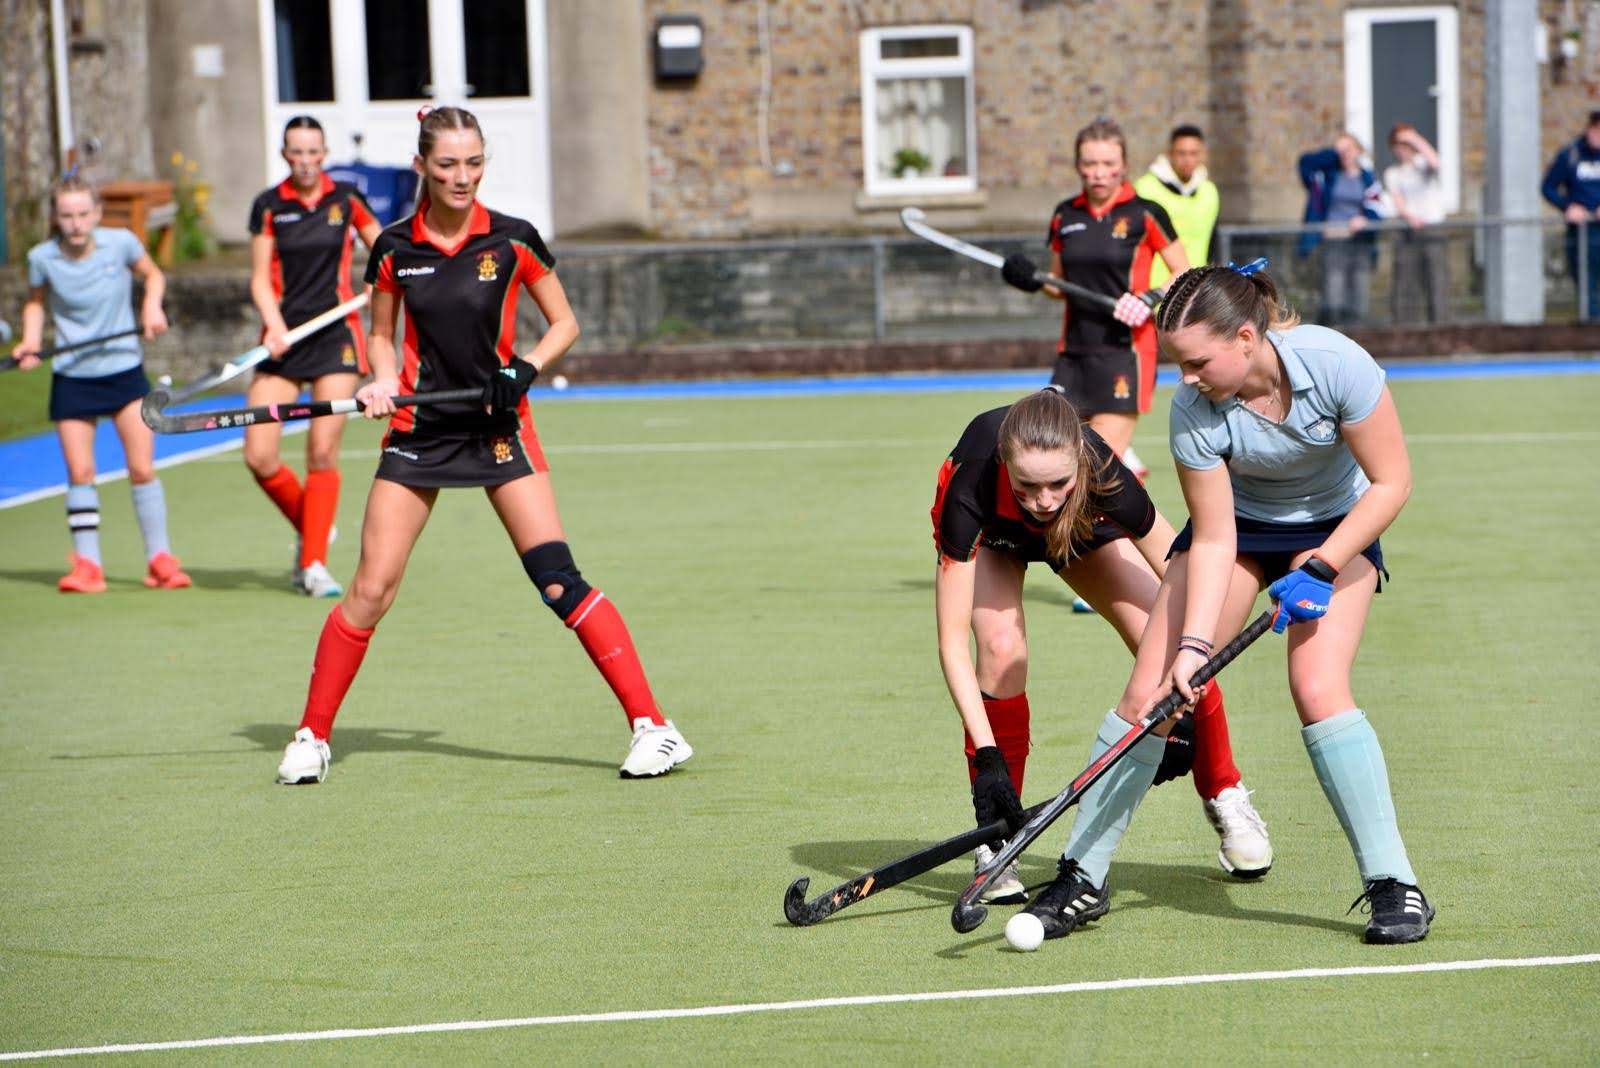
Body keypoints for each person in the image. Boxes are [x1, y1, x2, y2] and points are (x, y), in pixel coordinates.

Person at [1013, 261, 1433, 946]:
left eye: (1197, 362)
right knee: (1149, 691)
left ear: (1245, 338)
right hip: (1237, 532)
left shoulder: (1337, 364)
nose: (1186, 378)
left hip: (1337, 528)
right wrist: (1192, 649)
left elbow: (1392, 482)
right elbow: (1212, 537)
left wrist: (1322, 566)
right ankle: (1082, 876)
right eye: (1178, 363)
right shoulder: (1195, 410)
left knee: (1317, 686)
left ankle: (1394, 884)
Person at [274, 106, 692, 784]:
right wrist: (382, 380)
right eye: (447, 165)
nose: (462, 177)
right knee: (371, 588)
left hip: (499, 426)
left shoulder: (512, 238)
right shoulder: (394, 248)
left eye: (473, 163)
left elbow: (564, 323)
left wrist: (524, 368)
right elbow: (381, 334)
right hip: (420, 430)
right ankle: (311, 737)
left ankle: (655, 728)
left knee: (557, 578)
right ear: (422, 166)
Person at [932, 386, 1271, 903]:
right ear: (1004, 462)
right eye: (1027, 486)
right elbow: (953, 644)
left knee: (1163, 636)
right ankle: (999, 837)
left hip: (1080, 527)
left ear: (1079, 461)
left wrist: (1184, 697)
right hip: (996, 538)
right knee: (1001, 649)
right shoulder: (972, 482)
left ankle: (1223, 788)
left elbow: (1183, 572)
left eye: (1057, 483)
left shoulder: (1103, 471)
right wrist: (987, 758)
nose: (1043, 500)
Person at [13, 174, 189, 593]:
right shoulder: (41, 258)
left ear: (96, 213)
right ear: (55, 218)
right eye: (67, 215)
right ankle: (88, 565)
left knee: (141, 468)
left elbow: (154, 275)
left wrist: (151, 308)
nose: (76, 224)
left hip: (124, 371)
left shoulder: (121, 243)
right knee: (80, 471)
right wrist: (31, 341)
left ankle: (160, 560)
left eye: (83, 214)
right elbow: (36, 304)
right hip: (73, 375)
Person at [1000, 118, 1189, 483]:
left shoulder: (1145, 213)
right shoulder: (1065, 214)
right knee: (1053, 461)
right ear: (1078, 166)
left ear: (1124, 166)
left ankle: (1135, 512)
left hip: (1125, 353)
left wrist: (1149, 297)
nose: (1099, 173)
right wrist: (1032, 281)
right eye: (1090, 163)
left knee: (1097, 470)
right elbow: (1060, 285)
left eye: (1108, 164)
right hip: (1073, 355)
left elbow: (1184, 270)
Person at [247, 116, 383, 597]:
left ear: (324, 154)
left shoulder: (345, 199)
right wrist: (274, 325)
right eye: (296, 152)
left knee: (322, 451)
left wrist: (377, 284)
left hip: (336, 337)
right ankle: (316, 526)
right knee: (259, 455)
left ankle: (314, 564)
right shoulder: (269, 205)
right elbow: (260, 279)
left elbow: (386, 249)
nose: (305, 161)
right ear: (285, 155)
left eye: (313, 152)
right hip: (284, 338)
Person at [1297, 135, 1385, 325]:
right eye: (1340, 150)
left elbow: (1378, 209)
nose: (1344, 154)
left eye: (1349, 149)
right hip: (1333, 242)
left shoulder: (1368, 178)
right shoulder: (1327, 176)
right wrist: (1333, 154)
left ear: (1359, 151)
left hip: (1360, 243)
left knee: (1359, 293)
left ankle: (1358, 332)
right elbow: (1304, 163)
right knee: (1333, 294)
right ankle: (1335, 331)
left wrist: (1365, 219)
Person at [1134, 124, 1220, 291]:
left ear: (1202, 154)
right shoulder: (1145, 189)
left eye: (1193, 153)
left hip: (1194, 291)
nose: (1188, 159)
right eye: (1181, 153)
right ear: (1169, 153)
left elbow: (1212, 246)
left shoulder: (1209, 192)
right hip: (1155, 292)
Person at [1382, 123, 1449, 323]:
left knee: (1437, 280)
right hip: (1408, 231)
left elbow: (1436, 162)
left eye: (1406, 144)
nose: (1402, 149)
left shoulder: (1423, 164)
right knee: (1405, 282)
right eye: (1398, 144)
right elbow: (1398, 201)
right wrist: (1410, 217)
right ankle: (1404, 328)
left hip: (1433, 230)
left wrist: (1413, 137)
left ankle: (1440, 326)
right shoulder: (1393, 173)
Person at [1540, 110, 1600, 320]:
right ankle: (1591, 328)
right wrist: (1568, 207)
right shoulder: (1571, 155)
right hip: (1582, 232)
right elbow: (1548, 187)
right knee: (1585, 283)